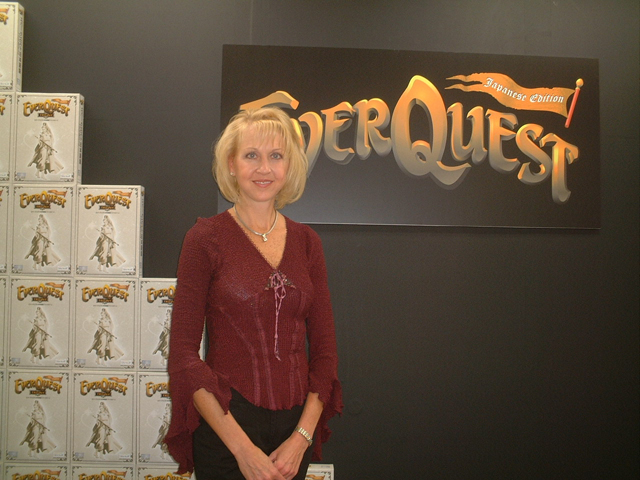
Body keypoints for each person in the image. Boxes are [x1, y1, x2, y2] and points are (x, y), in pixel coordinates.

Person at [165, 107, 342, 480]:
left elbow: (325, 355)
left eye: (276, 156)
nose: (264, 168)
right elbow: (183, 358)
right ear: (231, 165)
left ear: (289, 166)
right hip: (226, 430)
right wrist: (243, 450)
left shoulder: (307, 243)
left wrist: (301, 438)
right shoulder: (204, 239)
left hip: (294, 436)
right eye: (251, 155)